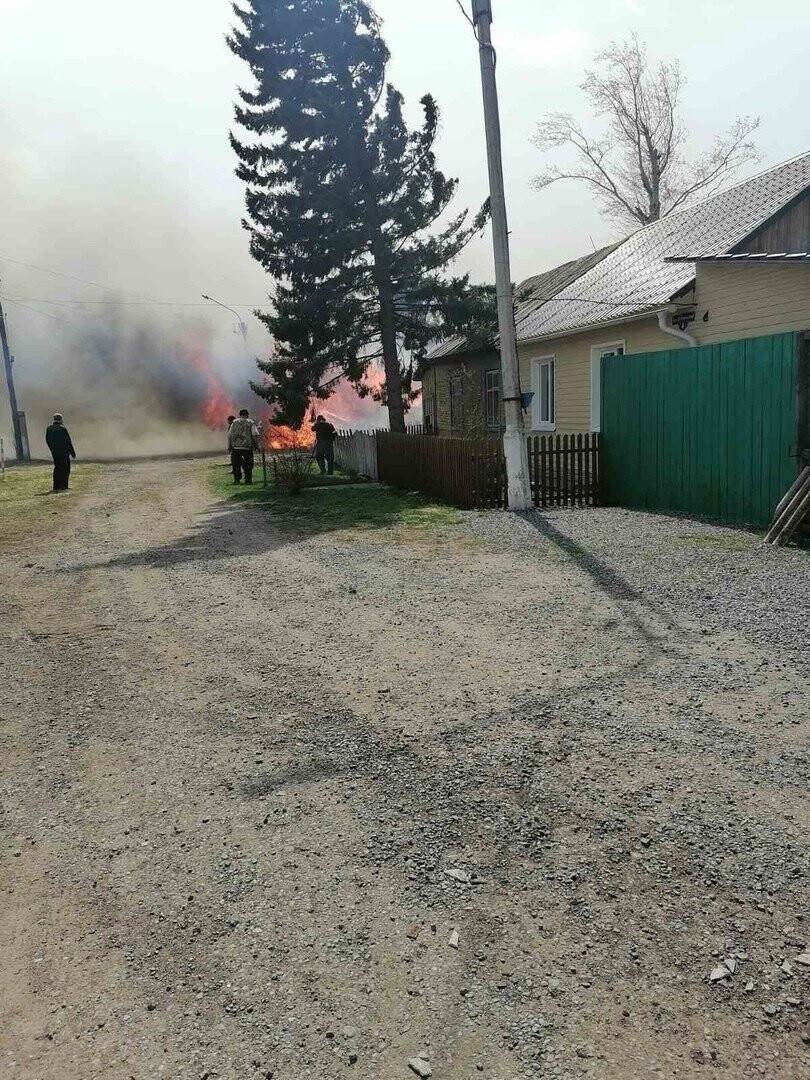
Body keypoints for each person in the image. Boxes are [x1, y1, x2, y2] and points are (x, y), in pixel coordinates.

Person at [227, 408, 260, 484]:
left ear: (240, 415)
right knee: (248, 464)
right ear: (247, 415)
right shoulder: (250, 422)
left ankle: (237, 480)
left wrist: (229, 446)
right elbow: (255, 434)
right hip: (247, 447)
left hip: (236, 447)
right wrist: (257, 445)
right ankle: (248, 480)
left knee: (236, 465)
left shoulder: (234, 422)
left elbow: (229, 435)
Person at [45, 413, 76, 492]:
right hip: (64, 452)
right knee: (65, 469)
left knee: (57, 468)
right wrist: (72, 453)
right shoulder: (62, 428)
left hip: (55, 452)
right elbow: (68, 442)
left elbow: (47, 440)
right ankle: (64, 486)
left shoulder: (49, 428)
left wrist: (52, 449)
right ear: (61, 419)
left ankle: (56, 486)